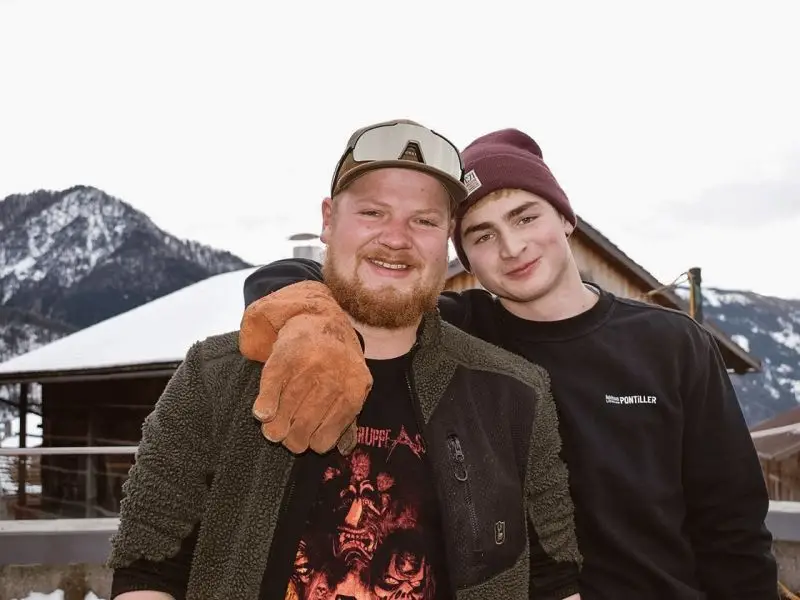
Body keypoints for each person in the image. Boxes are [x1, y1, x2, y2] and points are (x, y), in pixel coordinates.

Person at [242, 127, 780, 599]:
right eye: (482, 234)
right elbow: (293, 278)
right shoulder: (461, 332)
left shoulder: (672, 343)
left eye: (525, 216)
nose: (512, 246)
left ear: (565, 217)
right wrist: (312, 319)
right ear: (464, 258)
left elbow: (731, 523)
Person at [106, 120, 583, 600]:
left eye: (424, 220)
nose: (396, 238)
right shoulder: (217, 375)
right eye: (373, 212)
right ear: (328, 220)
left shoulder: (516, 393)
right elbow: (146, 565)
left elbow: (554, 578)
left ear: (446, 238)